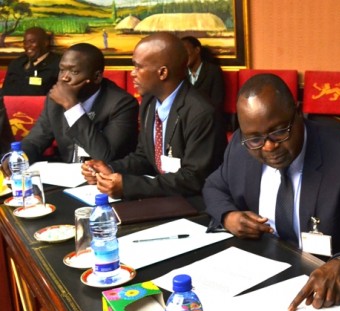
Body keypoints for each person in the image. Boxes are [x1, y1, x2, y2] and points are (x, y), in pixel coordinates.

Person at [202, 73, 340, 311]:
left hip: (318, 287)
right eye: (255, 138)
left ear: (298, 113)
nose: (268, 146)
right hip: (255, 276)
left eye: (279, 132)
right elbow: (213, 187)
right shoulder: (242, 146)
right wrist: (228, 216)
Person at [82, 32, 226, 200]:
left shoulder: (201, 113)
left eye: (138, 67)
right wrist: (110, 169)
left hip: (194, 203)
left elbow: (193, 179)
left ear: (162, 73)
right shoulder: (149, 103)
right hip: (162, 196)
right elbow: (145, 157)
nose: (132, 74)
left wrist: (128, 186)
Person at [1, 43, 138, 172]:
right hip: (67, 177)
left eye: (74, 72)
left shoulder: (122, 103)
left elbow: (105, 157)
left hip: (109, 181)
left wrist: (72, 107)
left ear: (96, 77)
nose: (64, 78)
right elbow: (35, 141)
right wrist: (16, 158)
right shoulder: (55, 100)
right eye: (62, 70)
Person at [2, 27, 61, 96]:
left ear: (45, 43)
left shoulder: (57, 65)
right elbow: (4, 91)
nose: (27, 46)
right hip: (10, 105)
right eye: (25, 42)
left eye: (32, 42)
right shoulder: (16, 64)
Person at [181, 36, 225, 111]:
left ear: (197, 50)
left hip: (208, 116)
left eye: (185, 50)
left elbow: (217, 102)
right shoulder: (181, 72)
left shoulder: (213, 71)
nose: (183, 55)